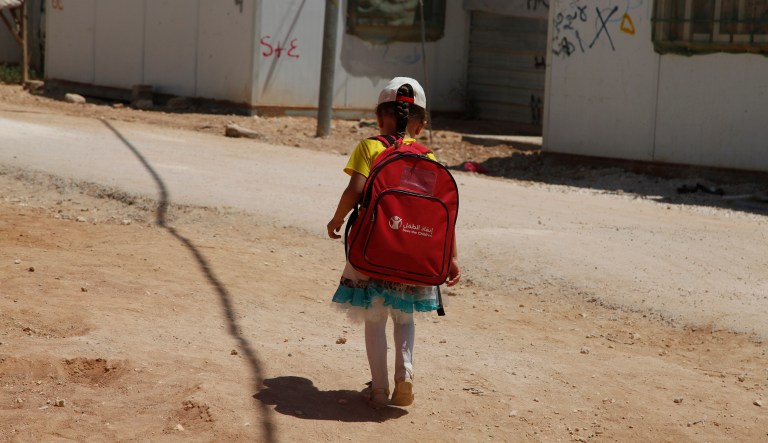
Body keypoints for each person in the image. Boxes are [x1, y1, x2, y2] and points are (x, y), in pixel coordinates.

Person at [326, 77, 461, 408]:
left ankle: (378, 389)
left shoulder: (369, 147)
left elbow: (355, 190)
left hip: (374, 249)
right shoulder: (426, 155)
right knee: (405, 317)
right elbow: (439, 214)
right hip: (415, 252)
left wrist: (337, 218)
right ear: (422, 123)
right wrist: (451, 257)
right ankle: (406, 374)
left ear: (378, 116)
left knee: (375, 318)